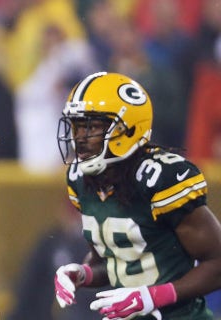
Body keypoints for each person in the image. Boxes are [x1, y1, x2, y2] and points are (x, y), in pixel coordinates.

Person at [53, 71, 221, 319]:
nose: (80, 138)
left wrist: (154, 296)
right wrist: (83, 273)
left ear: (127, 128)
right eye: (77, 126)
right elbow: (112, 261)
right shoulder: (81, 180)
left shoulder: (160, 180)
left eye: (92, 127)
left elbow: (217, 264)